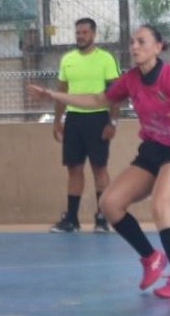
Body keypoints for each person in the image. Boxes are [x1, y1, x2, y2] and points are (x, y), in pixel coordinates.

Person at [29, 25, 170, 299]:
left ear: (158, 47)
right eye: (132, 42)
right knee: (110, 204)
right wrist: (53, 95)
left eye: (141, 41)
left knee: (161, 205)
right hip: (151, 151)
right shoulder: (130, 79)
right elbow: (97, 99)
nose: (134, 47)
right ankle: (151, 258)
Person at [48, 18, 121, 234]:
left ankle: (102, 218)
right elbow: (61, 92)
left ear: (93, 34)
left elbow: (115, 94)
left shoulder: (106, 59)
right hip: (74, 120)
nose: (80, 36)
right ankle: (72, 220)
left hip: (98, 119)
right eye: (78, 33)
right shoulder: (67, 59)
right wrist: (57, 121)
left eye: (84, 32)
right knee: (74, 169)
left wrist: (112, 122)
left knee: (99, 168)